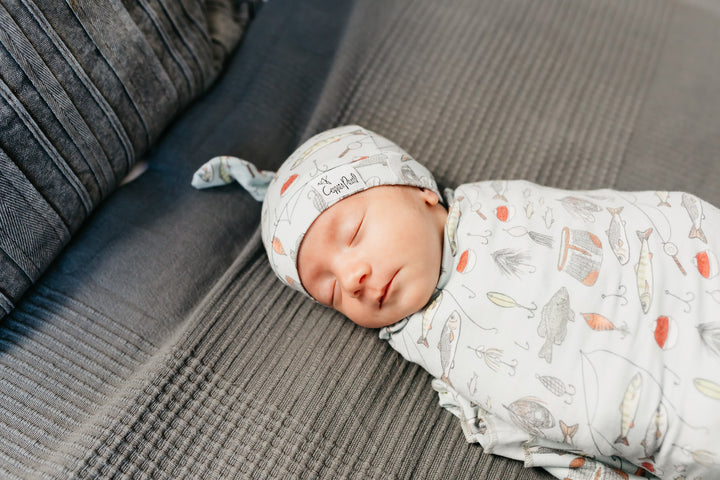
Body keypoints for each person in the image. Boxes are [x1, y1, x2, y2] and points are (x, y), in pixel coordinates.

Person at [192, 125, 720, 480]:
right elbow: (530, 430)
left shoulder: (499, 208)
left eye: (353, 232)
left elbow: (613, 222)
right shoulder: (435, 352)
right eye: (329, 290)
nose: (350, 278)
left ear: (420, 192)